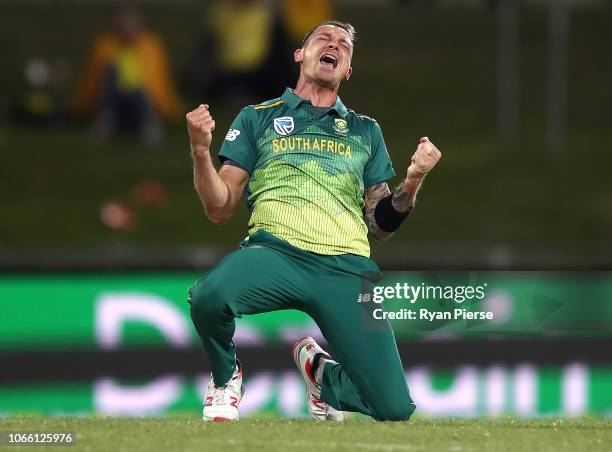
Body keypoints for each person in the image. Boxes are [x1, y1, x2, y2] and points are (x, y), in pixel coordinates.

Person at [186, 20, 441, 422]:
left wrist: (413, 180)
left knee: (394, 409)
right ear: (300, 55)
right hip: (276, 255)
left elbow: (382, 225)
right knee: (208, 297)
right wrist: (201, 152)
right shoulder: (257, 118)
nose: (334, 45)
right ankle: (224, 380)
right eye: (324, 38)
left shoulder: (364, 131)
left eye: (344, 45)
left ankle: (323, 377)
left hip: (347, 270)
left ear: (348, 70)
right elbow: (219, 207)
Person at [71, 5, 181, 144]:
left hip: (144, 103)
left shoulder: (151, 46)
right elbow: (90, 82)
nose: (127, 32)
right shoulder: (105, 46)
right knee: (113, 70)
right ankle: (107, 120)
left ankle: (148, 124)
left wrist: (169, 110)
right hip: (113, 102)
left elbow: (161, 83)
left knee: (134, 79)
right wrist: (78, 109)